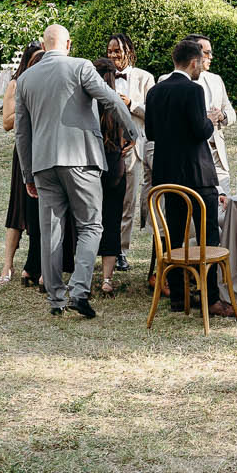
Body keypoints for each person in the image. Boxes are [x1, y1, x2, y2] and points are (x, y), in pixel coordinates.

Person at [13, 24, 119, 319]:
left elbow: (21, 134)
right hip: (81, 158)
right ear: (68, 43)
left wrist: (27, 174)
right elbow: (109, 99)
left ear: (45, 46)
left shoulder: (25, 79)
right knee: (90, 226)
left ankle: (56, 299)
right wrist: (132, 131)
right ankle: (80, 291)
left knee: (51, 232)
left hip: (43, 163)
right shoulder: (81, 67)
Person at [145, 35, 237, 317]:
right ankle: (209, 299)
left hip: (166, 175)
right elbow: (200, 131)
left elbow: (150, 133)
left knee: (174, 235)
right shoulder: (194, 90)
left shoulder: (155, 91)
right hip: (197, 175)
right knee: (208, 236)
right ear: (194, 62)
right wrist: (209, 121)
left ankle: (178, 297)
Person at [0, 43, 49, 287]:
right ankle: (7, 265)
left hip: (45, 152)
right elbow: (7, 123)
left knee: (41, 211)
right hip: (24, 153)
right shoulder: (16, 85)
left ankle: (38, 265)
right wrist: (27, 108)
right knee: (18, 209)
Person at [105, 34, 153, 274]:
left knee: (126, 202)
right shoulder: (102, 76)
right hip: (105, 147)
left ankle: (121, 252)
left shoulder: (145, 78)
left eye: (118, 51)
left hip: (132, 149)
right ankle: (104, 250)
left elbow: (154, 114)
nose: (113, 55)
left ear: (130, 51)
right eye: (110, 51)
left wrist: (131, 103)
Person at [91, 56, 134, 297]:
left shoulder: (85, 102)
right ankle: (107, 279)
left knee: (87, 222)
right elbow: (131, 132)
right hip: (115, 163)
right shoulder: (117, 102)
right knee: (112, 219)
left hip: (90, 165)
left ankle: (84, 275)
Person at [194, 37, 235, 191]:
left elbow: (231, 112)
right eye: (207, 53)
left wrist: (222, 115)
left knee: (223, 206)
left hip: (217, 153)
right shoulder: (170, 80)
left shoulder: (216, 80)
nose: (211, 57)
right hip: (194, 155)